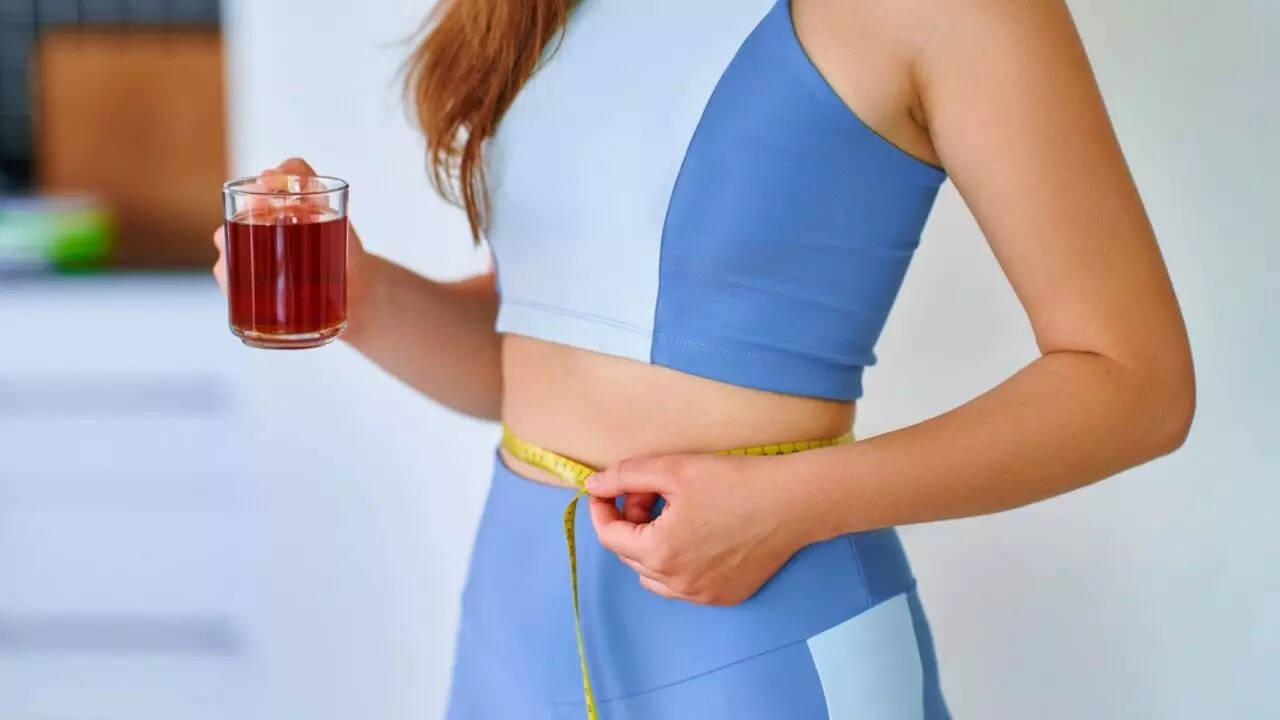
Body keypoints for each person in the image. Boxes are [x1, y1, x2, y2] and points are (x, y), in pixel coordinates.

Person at [211, 0, 1194, 717]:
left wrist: (787, 504)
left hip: (765, 645)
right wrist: (362, 294)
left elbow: (1133, 382)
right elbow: (539, 356)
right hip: (511, 635)